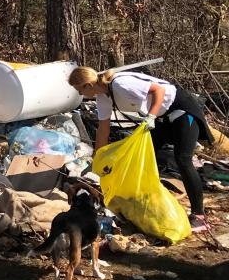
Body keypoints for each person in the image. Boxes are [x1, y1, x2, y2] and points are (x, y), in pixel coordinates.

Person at [69, 65, 212, 232]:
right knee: (139, 158)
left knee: (183, 159)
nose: (80, 94)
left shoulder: (120, 84)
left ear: (88, 85)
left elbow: (158, 90)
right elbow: (103, 130)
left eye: (79, 90)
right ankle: (146, 206)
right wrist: (98, 158)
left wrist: (151, 116)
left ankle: (199, 216)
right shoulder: (102, 97)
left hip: (181, 109)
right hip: (162, 117)